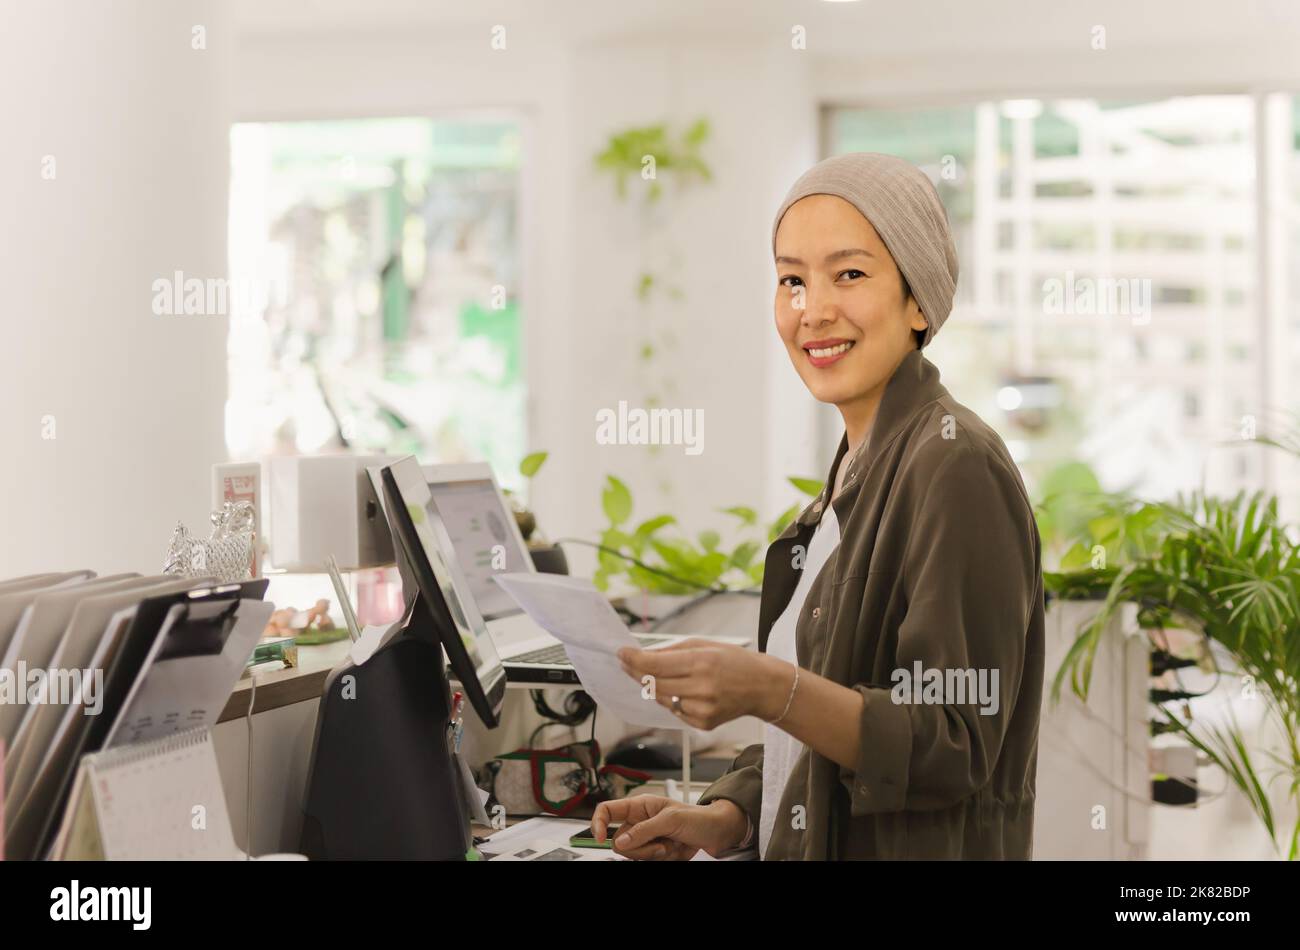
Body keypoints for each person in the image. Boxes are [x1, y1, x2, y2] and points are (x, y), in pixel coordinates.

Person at [592, 152, 1045, 860]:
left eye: (851, 274)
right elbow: (822, 729)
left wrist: (772, 689)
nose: (814, 309)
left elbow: (953, 743)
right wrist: (729, 813)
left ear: (918, 300)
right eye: (792, 281)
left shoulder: (955, 464)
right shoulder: (848, 480)